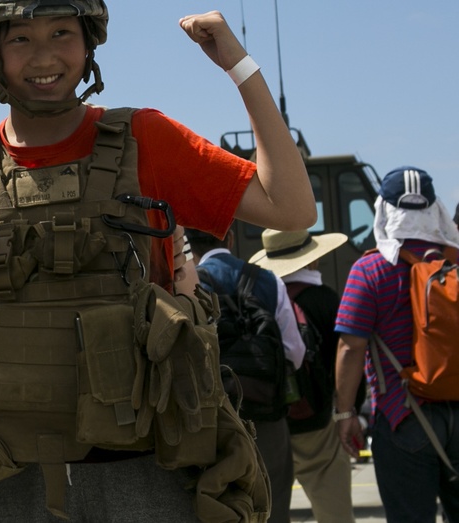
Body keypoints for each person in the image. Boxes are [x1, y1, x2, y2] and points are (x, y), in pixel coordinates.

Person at [0, 0, 315, 522]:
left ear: (89, 39)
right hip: (11, 481)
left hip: (145, 473)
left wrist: (239, 68)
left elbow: (292, 209)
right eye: (20, 37)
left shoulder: (145, 139)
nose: (44, 56)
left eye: (61, 32)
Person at [335, 166, 459, 523]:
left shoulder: (370, 270)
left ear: (384, 210)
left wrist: (346, 414)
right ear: (435, 209)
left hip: (403, 415)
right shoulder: (453, 264)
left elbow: (350, 348)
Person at [188, 227, 306, 523]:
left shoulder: (187, 283)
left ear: (188, 243)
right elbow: (294, 352)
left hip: (209, 423)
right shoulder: (268, 280)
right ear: (229, 236)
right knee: (273, 506)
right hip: (265, 416)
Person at [249, 228, 355, 523]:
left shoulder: (258, 298)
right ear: (312, 260)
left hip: (268, 422)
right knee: (334, 509)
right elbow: (346, 356)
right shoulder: (325, 299)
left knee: (271, 508)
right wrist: (347, 409)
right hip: (315, 422)